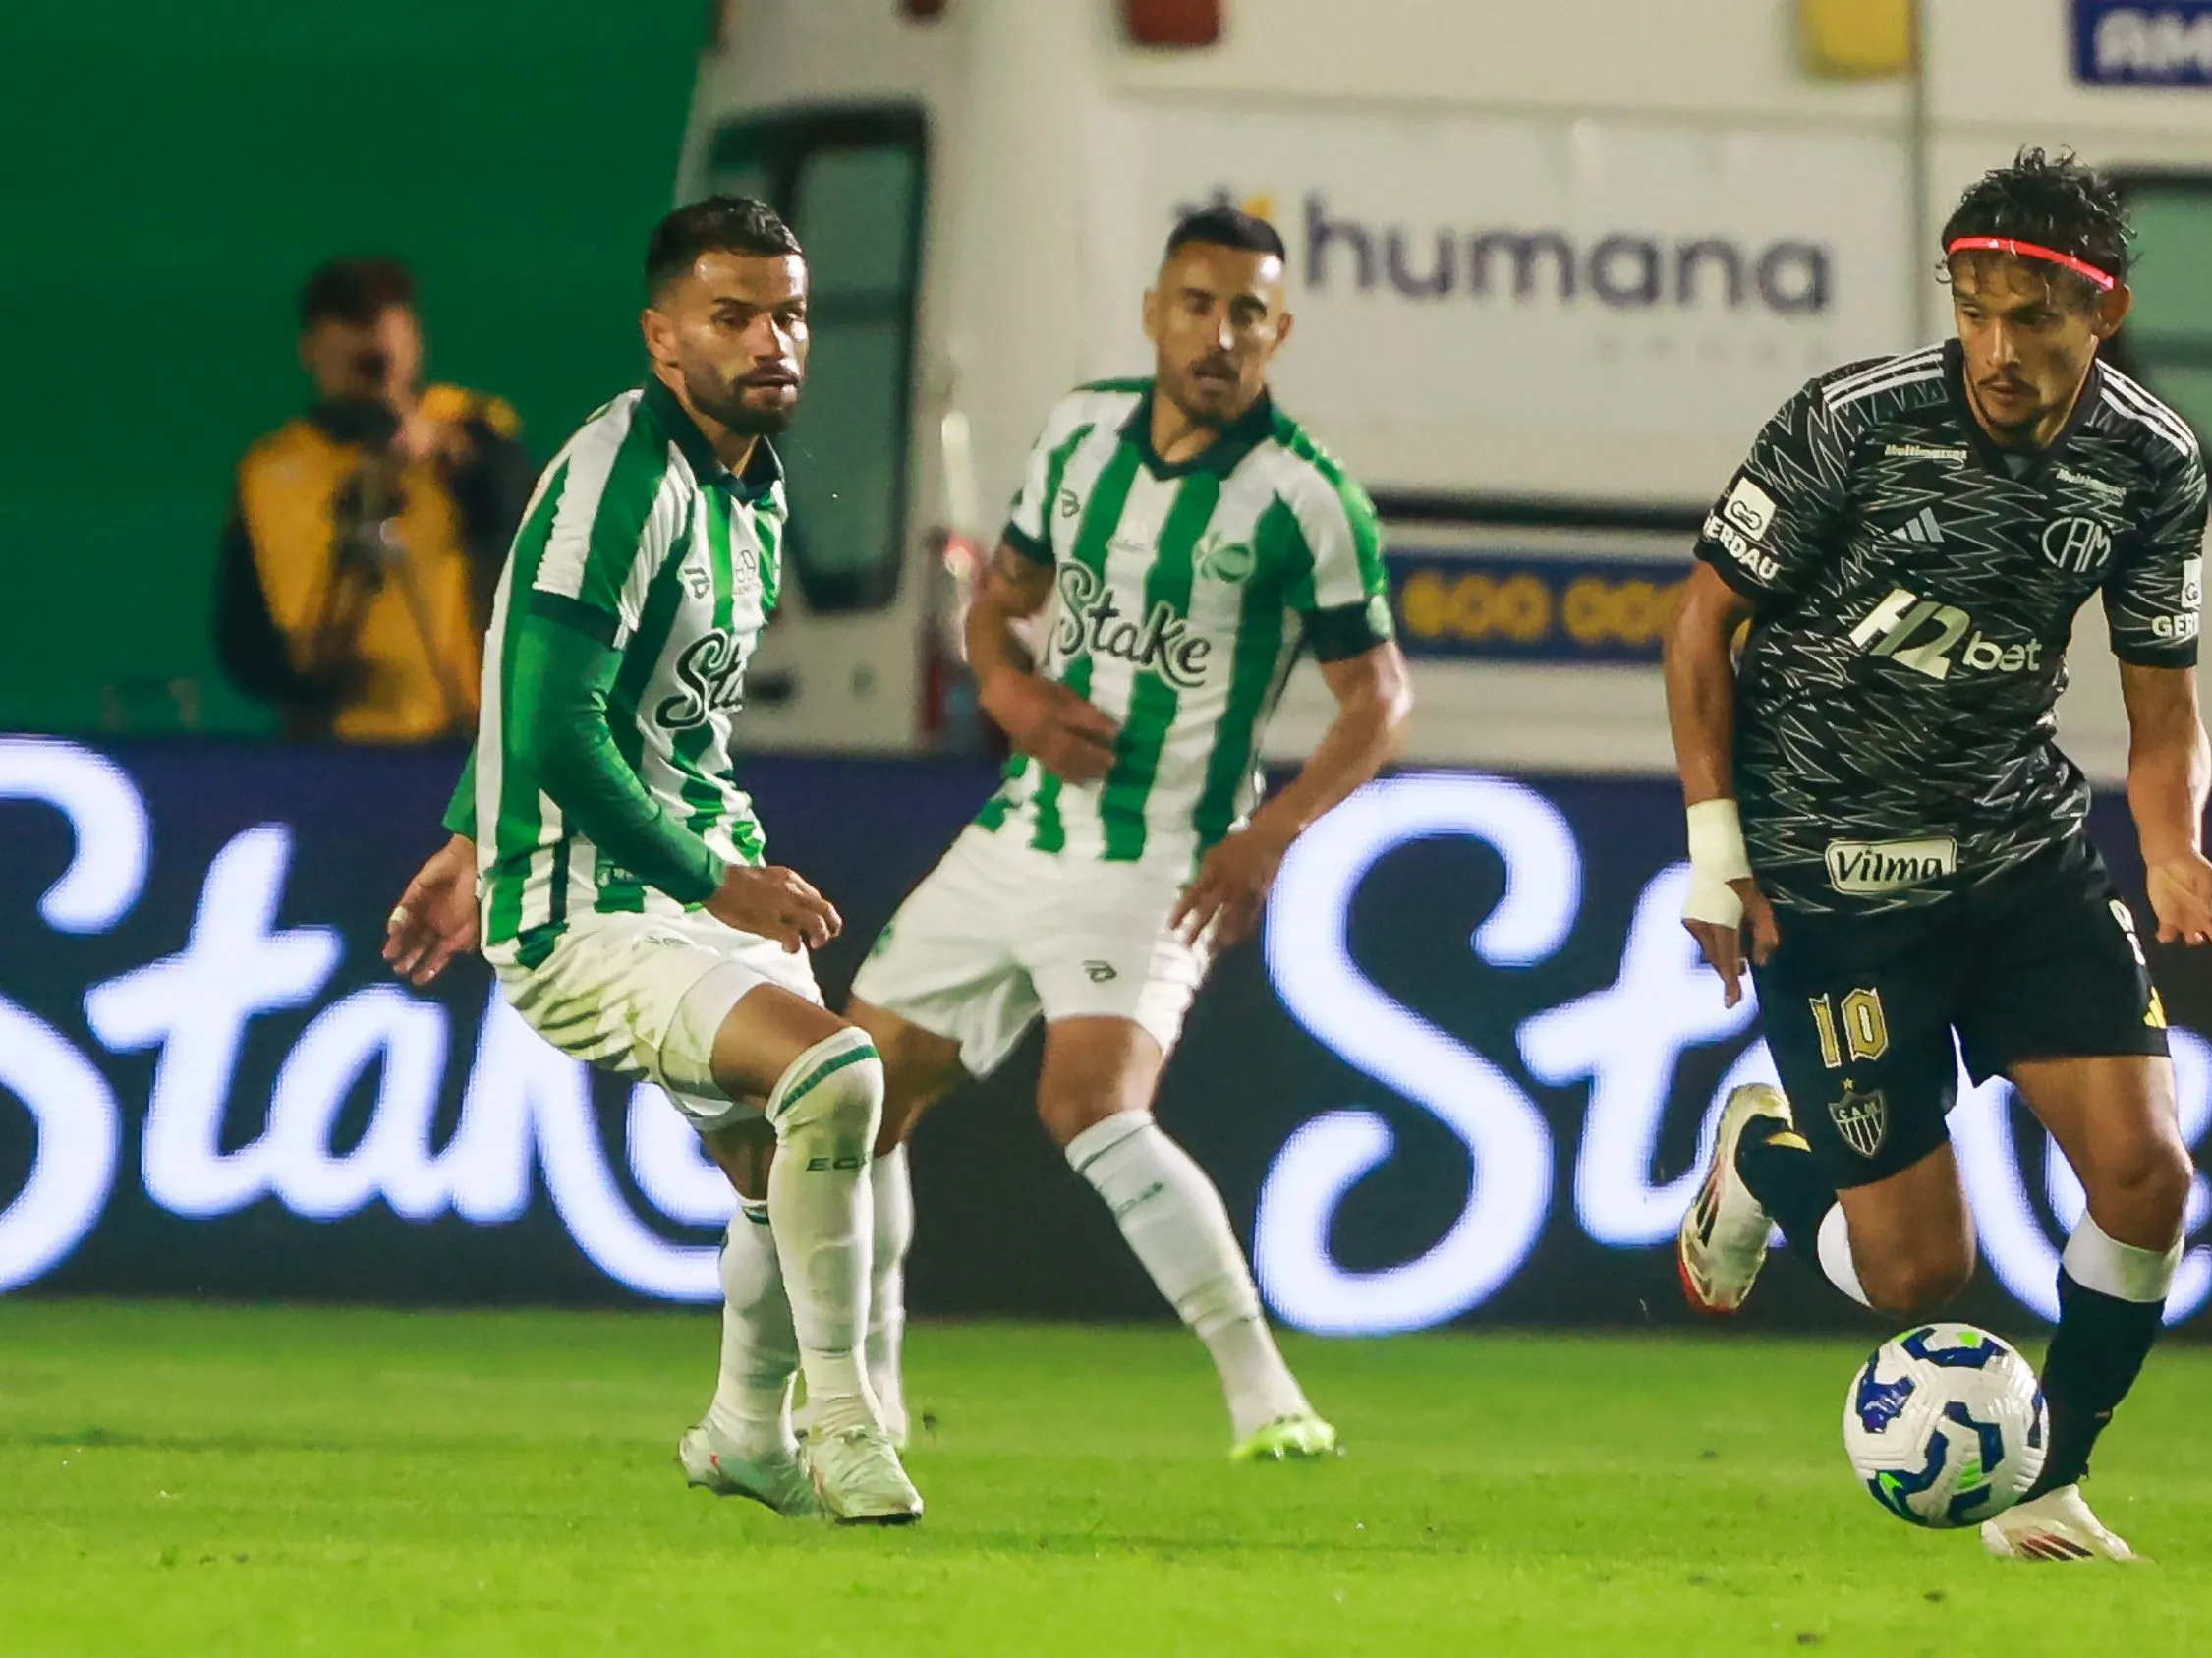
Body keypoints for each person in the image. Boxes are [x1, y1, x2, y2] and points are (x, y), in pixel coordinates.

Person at [1664, 150, 2212, 1563]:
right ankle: (1769, 1149)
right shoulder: (1851, 424)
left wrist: (2172, 846)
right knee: (1920, 1273)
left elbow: (2163, 704)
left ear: (2098, 314)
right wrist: (1714, 852)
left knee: (2147, 1175)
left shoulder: (2150, 463)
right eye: (1977, 309)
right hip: (1834, 877)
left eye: (2033, 319)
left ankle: (2048, 1475)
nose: (1998, 347)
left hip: (2016, 856)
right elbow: (1701, 631)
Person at [380, 197, 921, 1524]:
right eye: (732, 315)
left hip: (681, 876)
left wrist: (458, 834)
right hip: (584, 911)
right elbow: (553, 720)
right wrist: (707, 878)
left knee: (782, 1149)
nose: (772, 340)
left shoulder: (752, 484)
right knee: (837, 1072)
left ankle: (745, 1431)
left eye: (788, 312)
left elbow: (583, 688)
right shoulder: (619, 476)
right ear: (662, 333)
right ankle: (845, 1425)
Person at [843, 204, 1411, 1461]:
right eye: (1198, 304)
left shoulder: (1305, 499)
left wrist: (1273, 836)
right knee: (854, 1096)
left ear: (1281, 333)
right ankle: (865, 1404)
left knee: (1090, 1101)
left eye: (1247, 314)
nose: (1219, 335)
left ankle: (1265, 1395)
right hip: (1021, 830)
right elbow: (1004, 603)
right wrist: (1005, 688)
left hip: (1156, 854)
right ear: (1154, 311)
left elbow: (1379, 699)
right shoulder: (1080, 432)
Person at [216, 257, 533, 743]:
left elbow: (519, 521)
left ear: (414, 340)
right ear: (311, 348)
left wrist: (452, 455)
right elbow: (241, 628)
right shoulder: (270, 470)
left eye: (382, 320)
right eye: (346, 321)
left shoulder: (469, 429)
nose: (368, 339)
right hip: (329, 743)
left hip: (461, 737)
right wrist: (302, 680)